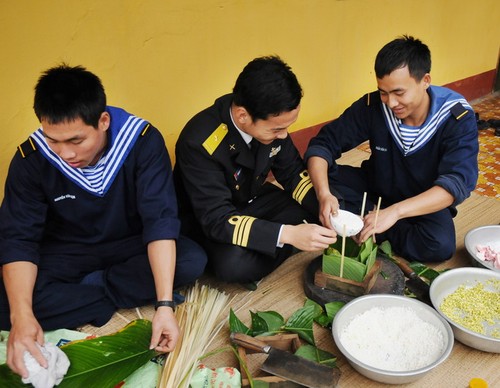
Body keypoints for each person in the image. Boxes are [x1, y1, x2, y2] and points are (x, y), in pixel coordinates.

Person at [0, 64, 207, 378]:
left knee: (191, 259)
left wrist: (164, 305)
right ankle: (103, 295)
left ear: (103, 121)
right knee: (10, 303)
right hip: (66, 249)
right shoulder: (31, 159)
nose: (65, 154)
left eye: (76, 140)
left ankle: (89, 294)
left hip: (130, 242)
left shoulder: (142, 142)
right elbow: (19, 239)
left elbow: (160, 221)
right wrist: (21, 317)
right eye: (54, 140)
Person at [306, 35, 478, 262]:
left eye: (399, 93)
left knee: (439, 245)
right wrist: (325, 194)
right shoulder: (374, 106)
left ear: (425, 80)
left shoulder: (456, 117)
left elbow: (456, 183)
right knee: (311, 179)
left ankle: (368, 225)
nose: (391, 102)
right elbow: (323, 144)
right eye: (383, 92)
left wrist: (395, 212)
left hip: (420, 201)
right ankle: (371, 221)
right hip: (376, 186)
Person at [174, 56, 336, 284]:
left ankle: (278, 241)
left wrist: (323, 200)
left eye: (287, 127)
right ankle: (285, 241)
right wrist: (288, 234)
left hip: (254, 200)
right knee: (233, 266)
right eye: (277, 129)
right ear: (242, 116)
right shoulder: (199, 141)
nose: (283, 135)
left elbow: (291, 173)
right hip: (211, 219)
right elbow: (217, 218)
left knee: (319, 211)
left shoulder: (272, 122)